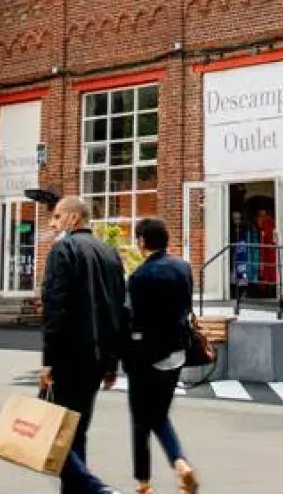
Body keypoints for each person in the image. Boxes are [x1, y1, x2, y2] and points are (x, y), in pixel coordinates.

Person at [39, 196, 129, 494]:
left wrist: (49, 360)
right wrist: (112, 361)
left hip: (69, 355)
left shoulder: (63, 249)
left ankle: (95, 489)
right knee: (77, 431)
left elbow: (56, 306)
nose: (53, 223)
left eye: (57, 217)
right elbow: (120, 309)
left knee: (52, 430)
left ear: (73, 218)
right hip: (98, 357)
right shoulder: (109, 253)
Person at [125, 217, 198, 494]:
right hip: (178, 350)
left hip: (146, 356)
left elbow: (134, 320)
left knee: (141, 420)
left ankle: (144, 482)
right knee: (158, 414)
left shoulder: (139, 277)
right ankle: (180, 463)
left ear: (142, 241)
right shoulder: (183, 267)